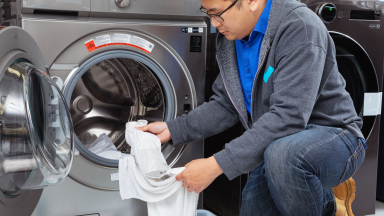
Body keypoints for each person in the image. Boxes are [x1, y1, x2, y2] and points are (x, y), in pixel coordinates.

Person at [138, 0, 366, 215]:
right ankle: (322, 198)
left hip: (335, 136)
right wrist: (174, 129)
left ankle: (327, 204)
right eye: (207, 13)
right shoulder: (232, 38)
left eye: (217, 13)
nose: (214, 23)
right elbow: (227, 104)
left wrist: (214, 165)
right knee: (253, 207)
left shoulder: (299, 26)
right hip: (278, 145)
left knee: (284, 156)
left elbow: (288, 117)